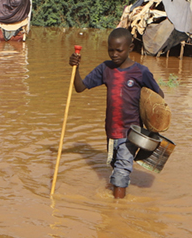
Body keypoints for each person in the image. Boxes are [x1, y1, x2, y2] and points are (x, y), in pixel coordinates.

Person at [69, 27, 164, 198]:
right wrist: (76, 67)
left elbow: (158, 99)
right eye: (110, 50)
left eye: (118, 50)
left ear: (130, 48)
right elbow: (80, 87)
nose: (114, 54)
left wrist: (153, 126)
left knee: (120, 172)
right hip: (111, 131)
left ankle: (116, 212)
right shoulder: (105, 69)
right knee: (115, 166)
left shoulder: (140, 72)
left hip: (131, 133)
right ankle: (119, 200)